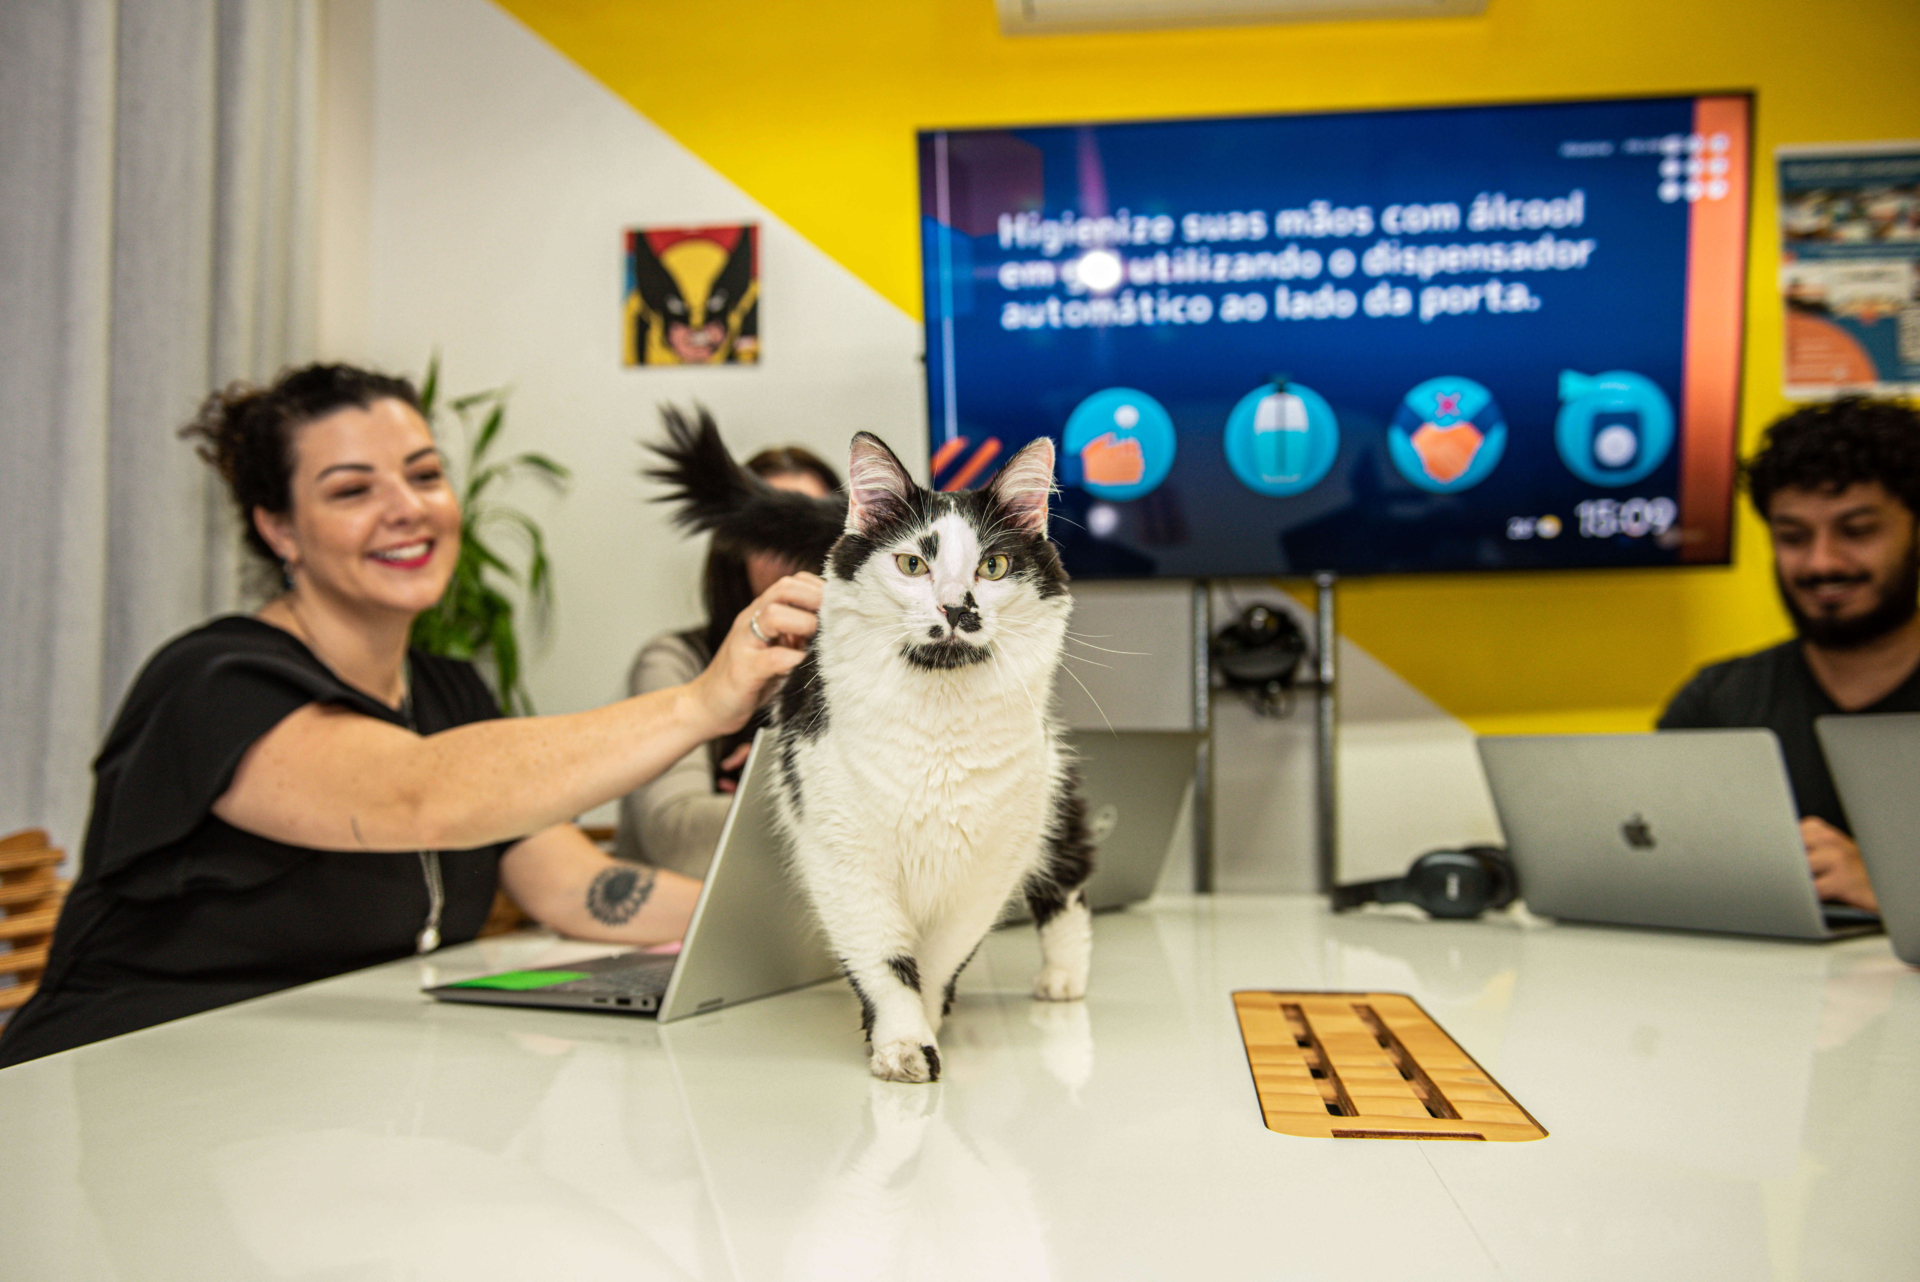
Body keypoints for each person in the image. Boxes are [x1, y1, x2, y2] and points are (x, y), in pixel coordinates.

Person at [0, 364, 821, 1067]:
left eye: (425, 476)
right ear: (278, 527)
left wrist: (814, 928)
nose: (407, 508)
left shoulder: (450, 692)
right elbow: (415, 792)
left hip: (321, 1088)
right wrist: (700, 703)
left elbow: (577, 887)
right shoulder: (212, 683)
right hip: (131, 1074)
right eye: (353, 489)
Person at [1659, 396, 1920, 913]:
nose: (1822, 562)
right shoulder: (1717, 703)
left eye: (1858, 531)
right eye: (1793, 537)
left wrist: (1891, 888)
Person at [615, 443, 840, 875]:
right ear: (734, 550)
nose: (793, 555)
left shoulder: (873, 669)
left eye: (806, 533)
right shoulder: (675, 662)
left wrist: (756, 792)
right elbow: (675, 834)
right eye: (772, 536)